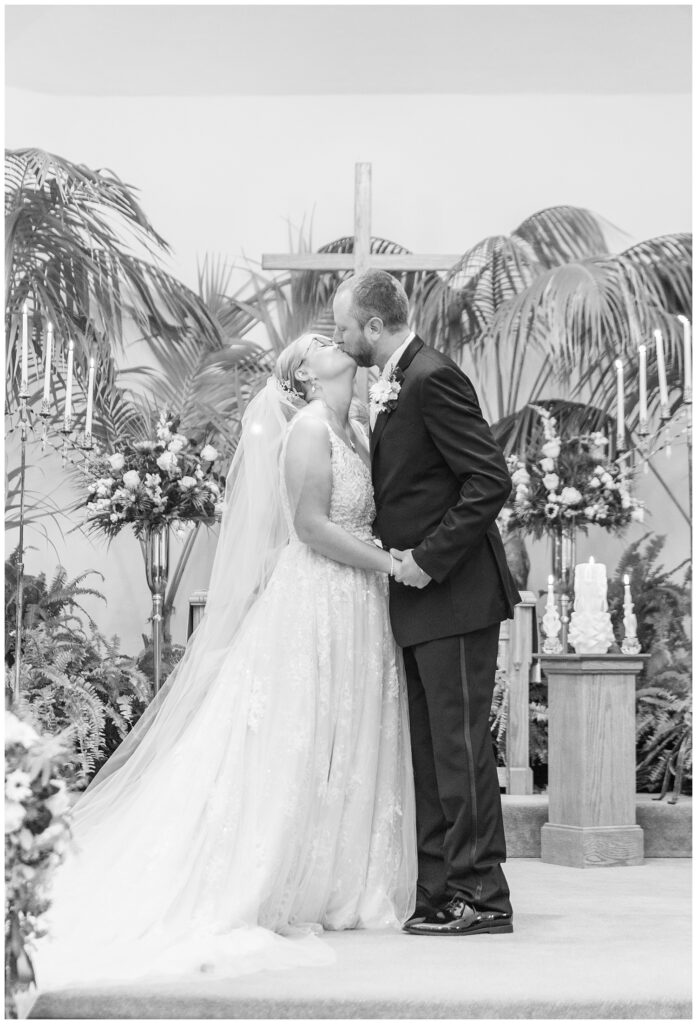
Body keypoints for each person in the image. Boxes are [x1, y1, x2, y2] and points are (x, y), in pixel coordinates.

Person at [34, 334, 416, 989]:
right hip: (318, 597)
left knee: (347, 733)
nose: (330, 341)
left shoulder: (355, 426)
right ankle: (281, 876)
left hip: (359, 602)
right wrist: (388, 563)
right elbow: (311, 527)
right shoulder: (303, 431)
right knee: (298, 732)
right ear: (299, 375)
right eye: (317, 344)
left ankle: (346, 879)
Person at [333, 270, 521, 936]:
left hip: (456, 596)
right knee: (432, 752)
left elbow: (487, 479)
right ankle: (441, 889)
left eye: (345, 326)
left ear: (376, 326)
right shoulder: (394, 381)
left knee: (460, 751)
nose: (340, 337)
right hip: (417, 601)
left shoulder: (431, 376)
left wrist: (427, 560)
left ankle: (482, 898)